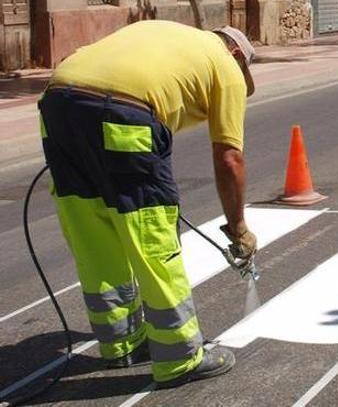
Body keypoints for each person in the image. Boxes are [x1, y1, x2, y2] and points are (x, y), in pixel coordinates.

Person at [38, 20, 258, 387]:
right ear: (236, 54)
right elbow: (229, 157)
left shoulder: (166, 33)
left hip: (59, 103)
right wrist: (238, 228)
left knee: (92, 229)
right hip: (124, 114)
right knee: (151, 235)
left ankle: (121, 344)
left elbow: (77, 60)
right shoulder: (227, 67)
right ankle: (180, 358)